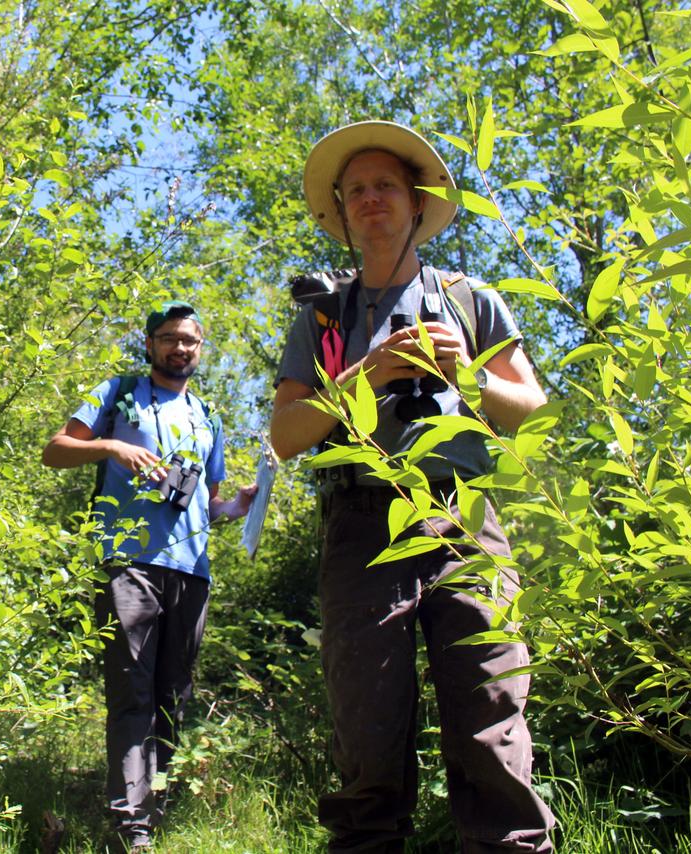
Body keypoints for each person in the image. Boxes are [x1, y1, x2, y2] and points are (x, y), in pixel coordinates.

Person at [269, 121, 556, 852]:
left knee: (492, 720)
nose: (370, 198)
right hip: (361, 524)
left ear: (417, 200)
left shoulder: (470, 300)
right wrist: (367, 374)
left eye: (385, 185)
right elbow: (286, 435)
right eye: (355, 188)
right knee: (368, 735)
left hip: (463, 520)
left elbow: (531, 407)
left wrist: (471, 375)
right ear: (339, 208)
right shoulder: (323, 315)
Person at [42, 300, 255, 851]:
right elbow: (56, 449)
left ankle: (157, 805)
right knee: (133, 691)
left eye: (190, 340)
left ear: (200, 349)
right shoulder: (118, 392)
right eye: (169, 338)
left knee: (173, 695)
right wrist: (112, 446)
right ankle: (130, 827)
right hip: (128, 563)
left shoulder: (209, 416)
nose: (179, 347)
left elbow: (207, 504)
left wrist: (239, 506)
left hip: (191, 570)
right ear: (151, 344)